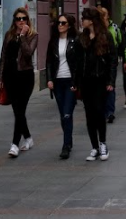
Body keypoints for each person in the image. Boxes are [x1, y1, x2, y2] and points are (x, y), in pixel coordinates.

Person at [75, 8, 117, 161]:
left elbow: (113, 59)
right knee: (89, 114)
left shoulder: (105, 36)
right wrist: (76, 82)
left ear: (91, 20)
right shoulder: (82, 38)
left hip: (100, 80)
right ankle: (94, 147)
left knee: (99, 112)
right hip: (86, 81)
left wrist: (111, 81)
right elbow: (78, 62)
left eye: (84, 18)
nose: (82, 20)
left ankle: (103, 143)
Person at [0, 7, 38, 158]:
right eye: (18, 19)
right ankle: (28, 138)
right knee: (17, 111)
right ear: (14, 21)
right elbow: (3, 56)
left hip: (25, 77)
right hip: (10, 77)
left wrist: (23, 36)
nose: (21, 21)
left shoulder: (33, 35)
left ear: (27, 20)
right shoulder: (8, 35)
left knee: (20, 110)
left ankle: (14, 144)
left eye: (23, 19)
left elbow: (28, 53)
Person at [45, 14, 78, 159]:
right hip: (58, 82)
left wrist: (77, 82)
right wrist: (49, 79)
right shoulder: (53, 41)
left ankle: (65, 146)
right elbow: (49, 62)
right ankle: (68, 140)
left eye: (63, 23)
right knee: (63, 115)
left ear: (69, 25)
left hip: (70, 81)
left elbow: (78, 63)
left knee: (67, 113)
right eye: (58, 22)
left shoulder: (75, 41)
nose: (60, 25)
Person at [99, 7, 124, 124]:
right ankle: (102, 110)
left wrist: (124, 58)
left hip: (110, 61)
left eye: (105, 15)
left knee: (110, 86)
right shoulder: (94, 31)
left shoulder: (113, 28)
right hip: (98, 64)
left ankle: (110, 112)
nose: (104, 17)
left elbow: (120, 42)